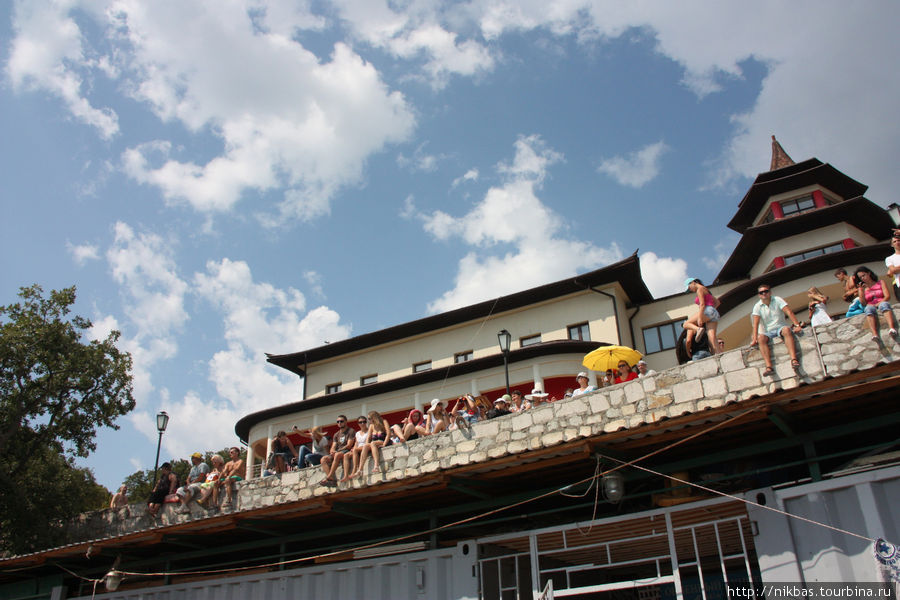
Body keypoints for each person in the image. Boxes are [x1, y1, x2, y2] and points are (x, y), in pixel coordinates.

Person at [750, 285, 803, 376]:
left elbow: (788, 312)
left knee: (786, 330)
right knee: (761, 338)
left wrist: (797, 325)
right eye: (761, 292)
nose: (764, 294)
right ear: (759, 295)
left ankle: (794, 360)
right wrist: (754, 338)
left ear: (770, 292)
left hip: (780, 327)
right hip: (768, 331)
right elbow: (755, 324)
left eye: (766, 291)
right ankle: (769, 367)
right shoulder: (757, 306)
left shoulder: (777, 300)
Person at [855, 265, 898, 340]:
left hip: (881, 302)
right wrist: (861, 291)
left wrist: (877, 304)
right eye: (860, 277)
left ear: (868, 273)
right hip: (870, 305)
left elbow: (887, 296)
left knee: (884, 305)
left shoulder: (880, 282)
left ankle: (891, 328)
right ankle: (875, 334)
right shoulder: (863, 288)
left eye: (863, 275)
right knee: (868, 309)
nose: (862, 278)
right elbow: (863, 303)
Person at [682, 278, 721, 358]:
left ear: (692, 282)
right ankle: (719, 354)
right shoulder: (706, 289)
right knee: (712, 338)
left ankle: (698, 329)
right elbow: (717, 302)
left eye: (689, 288)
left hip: (706, 310)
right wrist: (712, 310)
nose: (690, 290)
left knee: (686, 324)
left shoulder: (699, 289)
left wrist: (700, 317)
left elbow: (702, 304)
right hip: (714, 312)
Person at [347, 411, 391, 480]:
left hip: (384, 441)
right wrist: (366, 446)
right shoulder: (371, 426)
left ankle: (376, 465)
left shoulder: (384, 422)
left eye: (369, 419)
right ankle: (360, 469)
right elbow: (368, 437)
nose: (369, 421)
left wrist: (384, 444)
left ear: (374, 418)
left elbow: (388, 433)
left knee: (373, 443)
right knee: (366, 445)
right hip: (375, 443)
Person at [320, 415, 356, 486]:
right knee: (323, 459)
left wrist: (338, 451)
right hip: (338, 452)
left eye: (341, 421)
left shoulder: (351, 431)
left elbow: (349, 445)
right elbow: (333, 446)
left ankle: (329, 476)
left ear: (346, 422)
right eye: (338, 421)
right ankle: (331, 480)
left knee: (337, 455)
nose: (339, 423)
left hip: (346, 451)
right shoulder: (336, 434)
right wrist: (332, 451)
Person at [886, 231, 900, 300]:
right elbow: (893, 270)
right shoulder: (889, 258)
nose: (897, 242)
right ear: (892, 244)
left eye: (899, 240)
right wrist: (893, 270)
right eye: (894, 241)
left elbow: (893, 270)